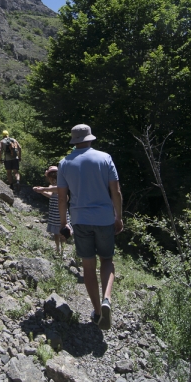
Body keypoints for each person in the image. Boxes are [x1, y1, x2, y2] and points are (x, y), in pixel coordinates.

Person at [57, 124, 123, 331]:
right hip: (104, 218)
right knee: (107, 260)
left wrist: (63, 223)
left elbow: (62, 197)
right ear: (90, 138)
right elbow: (116, 192)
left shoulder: (64, 163)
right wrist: (118, 217)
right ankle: (106, 299)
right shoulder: (105, 158)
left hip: (79, 219)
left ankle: (97, 312)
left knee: (87, 267)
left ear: (74, 141)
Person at [33, 166, 71, 255]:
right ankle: (60, 249)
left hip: (57, 213)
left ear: (50, 177)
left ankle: (59, 248)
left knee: (57, 232)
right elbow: (51, 194)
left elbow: (58, 193)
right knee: (60, 232)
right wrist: (41, 191)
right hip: (58, 212)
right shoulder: (58, 185)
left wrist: (42, 190)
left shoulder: (59, 186)